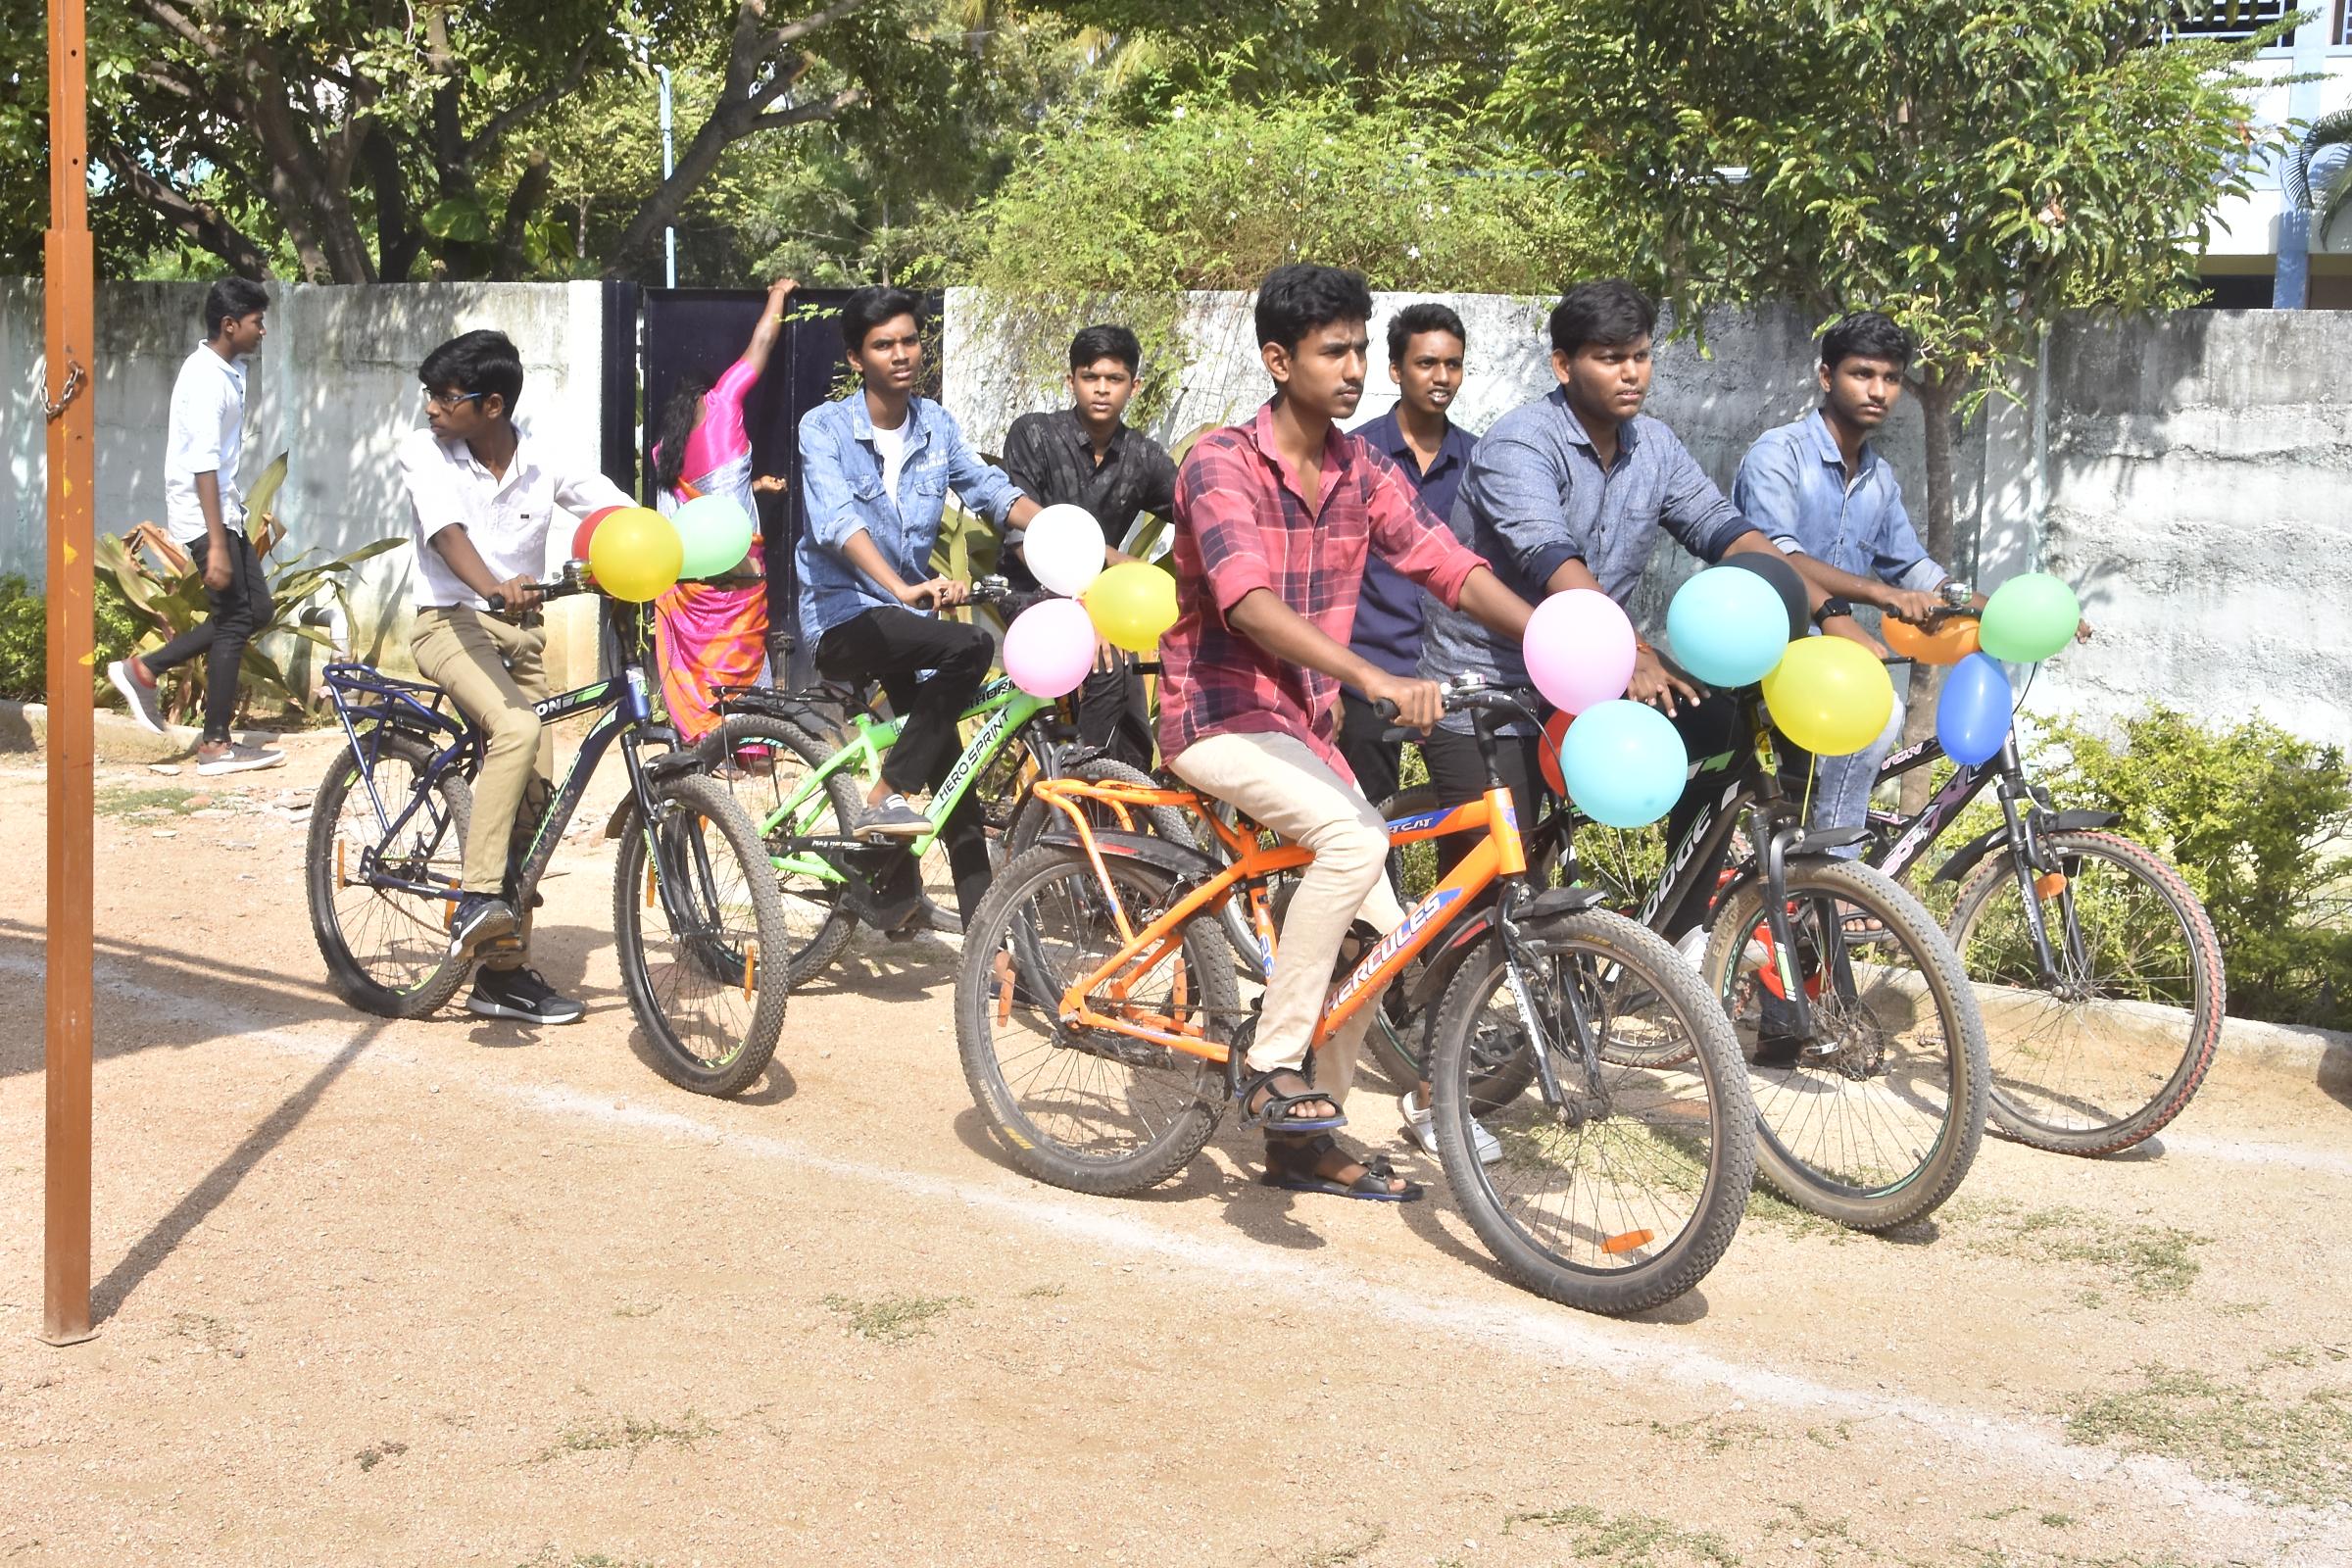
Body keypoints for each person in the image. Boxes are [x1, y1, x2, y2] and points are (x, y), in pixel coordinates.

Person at [1160, 263, 1539, 1202]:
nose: (1357, 367)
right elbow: (1245, 603)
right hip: (1213, 712)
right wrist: (1372, 675)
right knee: (1355, 836)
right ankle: (1274, 1062)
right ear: (1280, 360)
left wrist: (1550, 633)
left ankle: (1304, 1143)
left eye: (1362, 349)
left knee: (1384, 936)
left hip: (1300, 726)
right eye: (1337, 350)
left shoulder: (1360, 469)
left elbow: (1447, 564)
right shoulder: (1221, 463)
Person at [1415, 280, 1845, 936]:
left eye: (1640, 355)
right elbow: (1552, 563)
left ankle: (1677, 932)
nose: (1631, 373)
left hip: (1593, 672)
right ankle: (1439, 1016)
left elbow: (1726, 532)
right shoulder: (1519, 446)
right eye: (1610, 357)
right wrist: (1632, 651)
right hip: (1490, 684)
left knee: (1718, 728)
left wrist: (1830, 612)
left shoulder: (1655, 447)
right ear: (1565, 365)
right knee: (1499, 894)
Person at [1733, 310, 2090, 868]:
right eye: (1862, 374)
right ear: (1826, 377)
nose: (1878, 390)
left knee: (1866, 723)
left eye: (1891, 378)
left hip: (1833, 656)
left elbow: (1916, 570)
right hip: (1764, 650)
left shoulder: (1879, 478)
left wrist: (2006, 611)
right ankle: (1833, 874)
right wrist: (1880, 595)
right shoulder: (1778, 456)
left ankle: (1823, 879)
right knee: (1879, 717)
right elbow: (1777, 554)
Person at [400, 328, 633, 1026]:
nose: (432, 408)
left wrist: (671, 551)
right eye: (431, 395)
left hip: (519, 637)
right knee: (516, 726)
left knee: (535, 795)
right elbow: (447, 534)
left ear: (491, 405)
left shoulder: (543, 459)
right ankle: (477, 898)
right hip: (449, 621)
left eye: (445, 397)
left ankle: (501, 976)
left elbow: (614, 508)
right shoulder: (425, 451)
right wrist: (497, 584)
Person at [796, 284, 1041, 927]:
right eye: (883, 345)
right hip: (844, 613)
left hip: (905, 622)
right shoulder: (824, 429)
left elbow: (988, 489)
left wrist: (1057, 532)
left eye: (909, 340)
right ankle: (883, 799)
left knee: (950, 771)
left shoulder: (935, 425)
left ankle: (989, 940)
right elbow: (836, 521)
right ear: (857, 358)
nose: (901, 354)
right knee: (971, 646)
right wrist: (902, 586)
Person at [109, 277, 286, 775]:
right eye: (257, 322)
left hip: (222, 509)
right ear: (230, 325)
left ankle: (144, 668)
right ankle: (214, 745)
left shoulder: (227, 368)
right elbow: (202, 465)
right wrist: (215, 548)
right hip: (204, 510)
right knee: (234, 618)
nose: (263, 331)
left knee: (255, 611)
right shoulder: (206, 380)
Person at [1000, 323, 1177, 770]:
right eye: (1090, 377)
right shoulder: (1034, 435)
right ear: (1070, 381)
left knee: (1136, 712)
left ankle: (1130, 807)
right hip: (1031, 591)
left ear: (1133, 386)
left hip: (1107, 601)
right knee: (1105, 661)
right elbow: (1024, 541)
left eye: (1114, 379)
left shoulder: (1143, 456)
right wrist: (1116, 564)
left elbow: (1196, 515)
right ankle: (1082, 788)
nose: (1101, 389)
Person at [649, 275, 800, 749]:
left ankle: (701, 732)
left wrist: (752, 484)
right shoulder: (723, 403)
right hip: (740, 564)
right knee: (743, 650)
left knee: (705, 658)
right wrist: (778, 294)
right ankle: (751, 744)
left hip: (693, 576)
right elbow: (762, 342)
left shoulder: (661, 454)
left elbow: (700, 497)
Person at [1334, 302, 1474, 808]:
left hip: (1453, 680)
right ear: (1395, 369)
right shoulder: (1353, 457)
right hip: (1369, 674)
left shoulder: (1482, 462)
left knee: (1468, 820)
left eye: (1452, 364)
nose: (1442, 377)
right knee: (1365, 824)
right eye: (1426, 363)